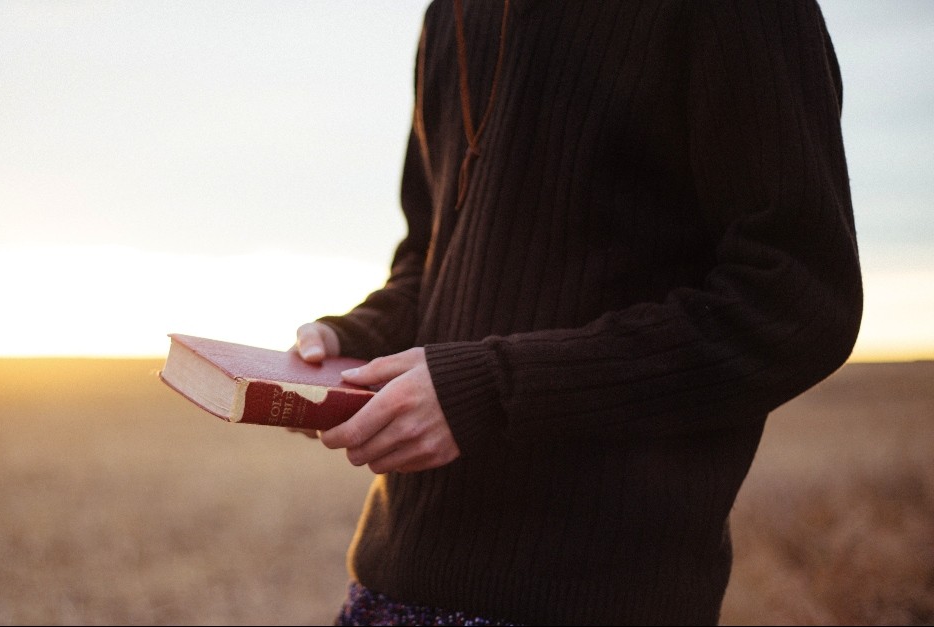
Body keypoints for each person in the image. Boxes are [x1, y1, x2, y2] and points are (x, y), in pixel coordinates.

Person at [290, 0, 863, 624]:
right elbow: (431, 258)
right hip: (388, 590)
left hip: (594, 598)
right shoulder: (451, 15)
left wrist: (492, 391)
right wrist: (351, 340)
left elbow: (798, 301)